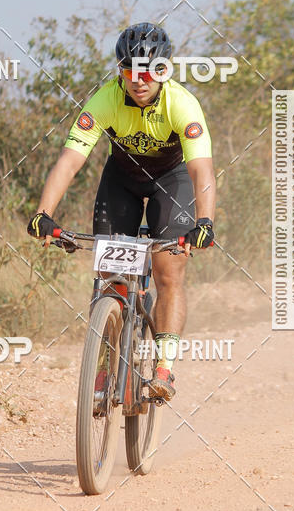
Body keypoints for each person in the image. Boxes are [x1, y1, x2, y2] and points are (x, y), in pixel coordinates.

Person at [27, 22, 215, 401]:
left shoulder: (182, 103)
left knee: (168, 272)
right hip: (122, 179)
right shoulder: (104, 100)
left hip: (171, 180)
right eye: (130, 69)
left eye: (148, 70)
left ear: (164, 71)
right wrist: (43, 213)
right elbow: (70, 160)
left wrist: (205, 221)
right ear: (120, 71)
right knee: (108, 272)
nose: (139, 79)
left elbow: (201, 170)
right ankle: (103, 364)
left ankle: (164, 368)